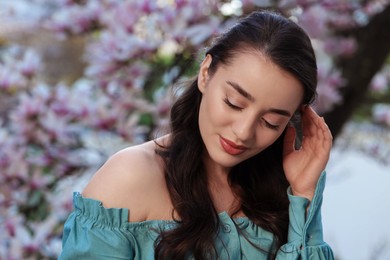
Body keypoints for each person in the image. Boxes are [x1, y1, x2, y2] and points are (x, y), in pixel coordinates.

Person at [59, 10, 334, 260]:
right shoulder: (130, 176)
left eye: (271, 122)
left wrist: (304, 195)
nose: (243, 132)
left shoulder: (283, 190)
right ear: (205, 73)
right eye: (234, 103)